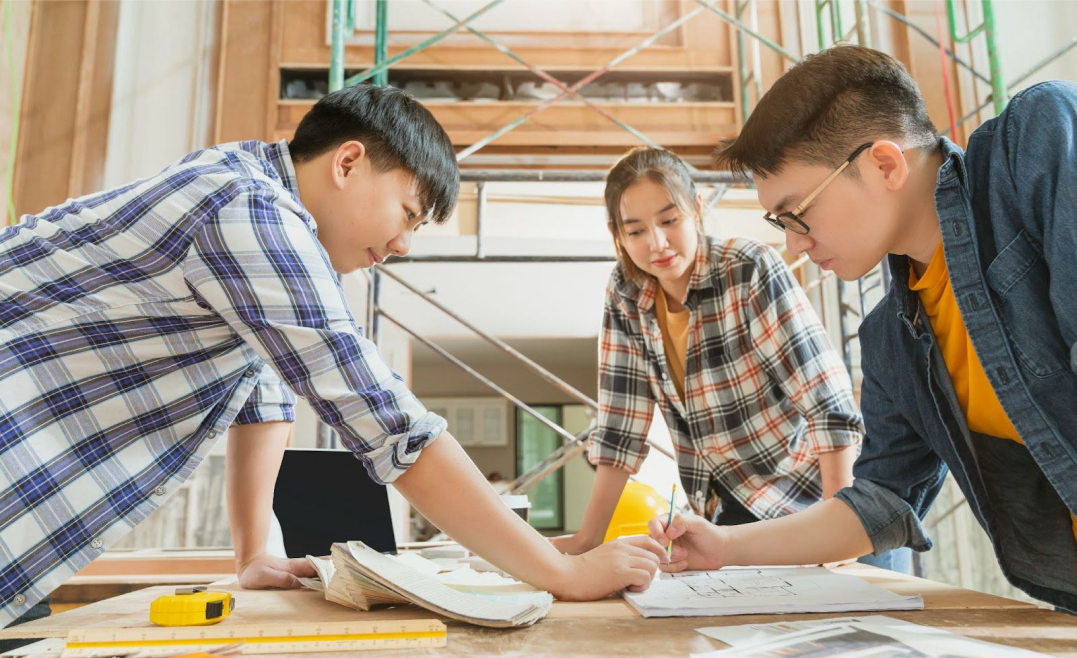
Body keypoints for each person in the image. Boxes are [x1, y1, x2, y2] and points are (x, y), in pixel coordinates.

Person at [0, 83, 668, 635]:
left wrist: (253, 553)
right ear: (347, 163)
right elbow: (383, 420)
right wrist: (563, 574)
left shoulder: (246, 190)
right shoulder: (252, 214)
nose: (405, 244)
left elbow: (262, 397)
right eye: (407, 214)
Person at [650, 44, 1077, 611]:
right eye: (780, 223)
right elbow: (880, 502)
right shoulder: (890, 340)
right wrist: (723, 545)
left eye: (797, 213)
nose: (794, 243)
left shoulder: (1033, 146)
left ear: (884, 165)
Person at [552, 147, 907, 570]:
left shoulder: (747, 268)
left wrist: (837, 539)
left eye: (669, 221)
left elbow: (828, 408)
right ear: (618, 235)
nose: (657, 243)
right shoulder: (626, 293)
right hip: (736, 520)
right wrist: (588, 540)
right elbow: (620, 429)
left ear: (697, 209)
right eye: (635, 231)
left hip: (827, 502)